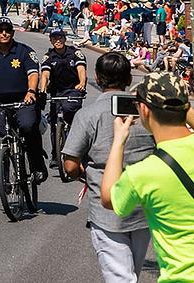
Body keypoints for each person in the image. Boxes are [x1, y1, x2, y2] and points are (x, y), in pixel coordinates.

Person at [102, 72, 194, 283]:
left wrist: (118, 141)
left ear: (144, 109)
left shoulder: (143, 173)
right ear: (186, 106)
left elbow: (109, 197)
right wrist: (183, 106)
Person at [62, 52, 156, 283]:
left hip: (107, 211)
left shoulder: (87, 115)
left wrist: (86, 175)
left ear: (97, 77)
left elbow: (70, 165)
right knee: (130, 272)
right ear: (128, 79)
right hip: (144, 208)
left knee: (120, 277)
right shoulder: (147, 113)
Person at [0, 16, 47, 182]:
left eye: (7, 30)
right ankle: (2, 175)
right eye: (0, 31)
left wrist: (31, 91)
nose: (4, 33)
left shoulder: (25, 51)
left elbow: (33, 74)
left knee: (28, 127)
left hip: (23, 100)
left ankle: (37, 166)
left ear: (13, 32)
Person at [40, 28, 87, 166]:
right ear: (51, 40)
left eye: (60, 37)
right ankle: (55, 155)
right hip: (56, 92)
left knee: (71, 114)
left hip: (73, 90)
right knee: (54, 124)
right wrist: (42, 90)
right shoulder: (48, 56)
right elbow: (45, 74)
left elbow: (81, 70)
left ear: (65, 39)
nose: (58, 40)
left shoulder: (74, 53)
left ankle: (78, 152)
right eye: (54, 38)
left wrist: (82, 83)